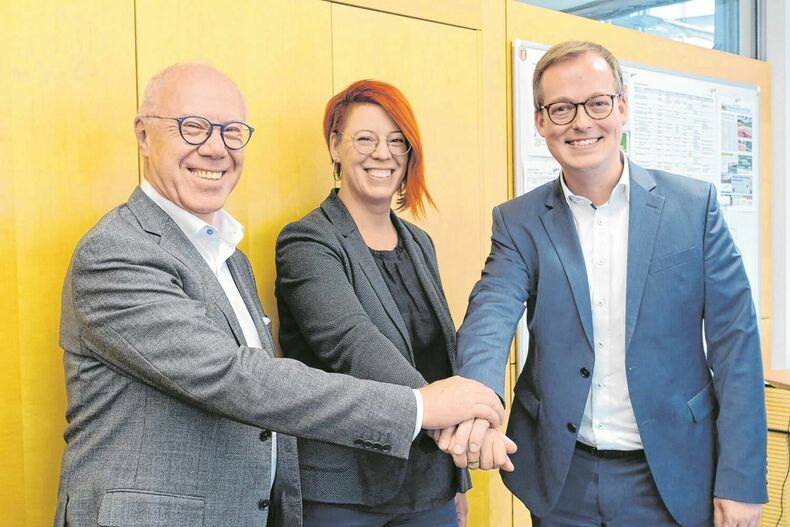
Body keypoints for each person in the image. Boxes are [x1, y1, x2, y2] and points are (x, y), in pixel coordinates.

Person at [54, 63, 506, 527]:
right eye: (192, 127)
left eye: (232, 132)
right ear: (145, 136)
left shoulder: (229, 255)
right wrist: (426, 407)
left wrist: (455, 453)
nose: (215, 147)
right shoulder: (117, 251)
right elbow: (239, 377)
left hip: (261, 506)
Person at [449, 41, 767, 526]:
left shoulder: (692, 208)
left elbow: (735, 347)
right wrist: (478, 401)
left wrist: (741, 480)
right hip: (562, 474)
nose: (581, 122)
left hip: (671, 474)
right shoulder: (519, 221)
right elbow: (489, 318)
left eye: (597, 103)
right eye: (561, 109)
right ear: (540, 122)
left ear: (622, 107)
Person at [274, 80, 515, 527]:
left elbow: (441, 357)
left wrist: (455, 480)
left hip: (429, 482)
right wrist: (449, 423)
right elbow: (351, 344)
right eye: (364, 138)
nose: (382, 154)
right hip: (347, 488)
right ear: (334, 146)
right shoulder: (308, 241)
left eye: (396, 141)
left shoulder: (419, 243)